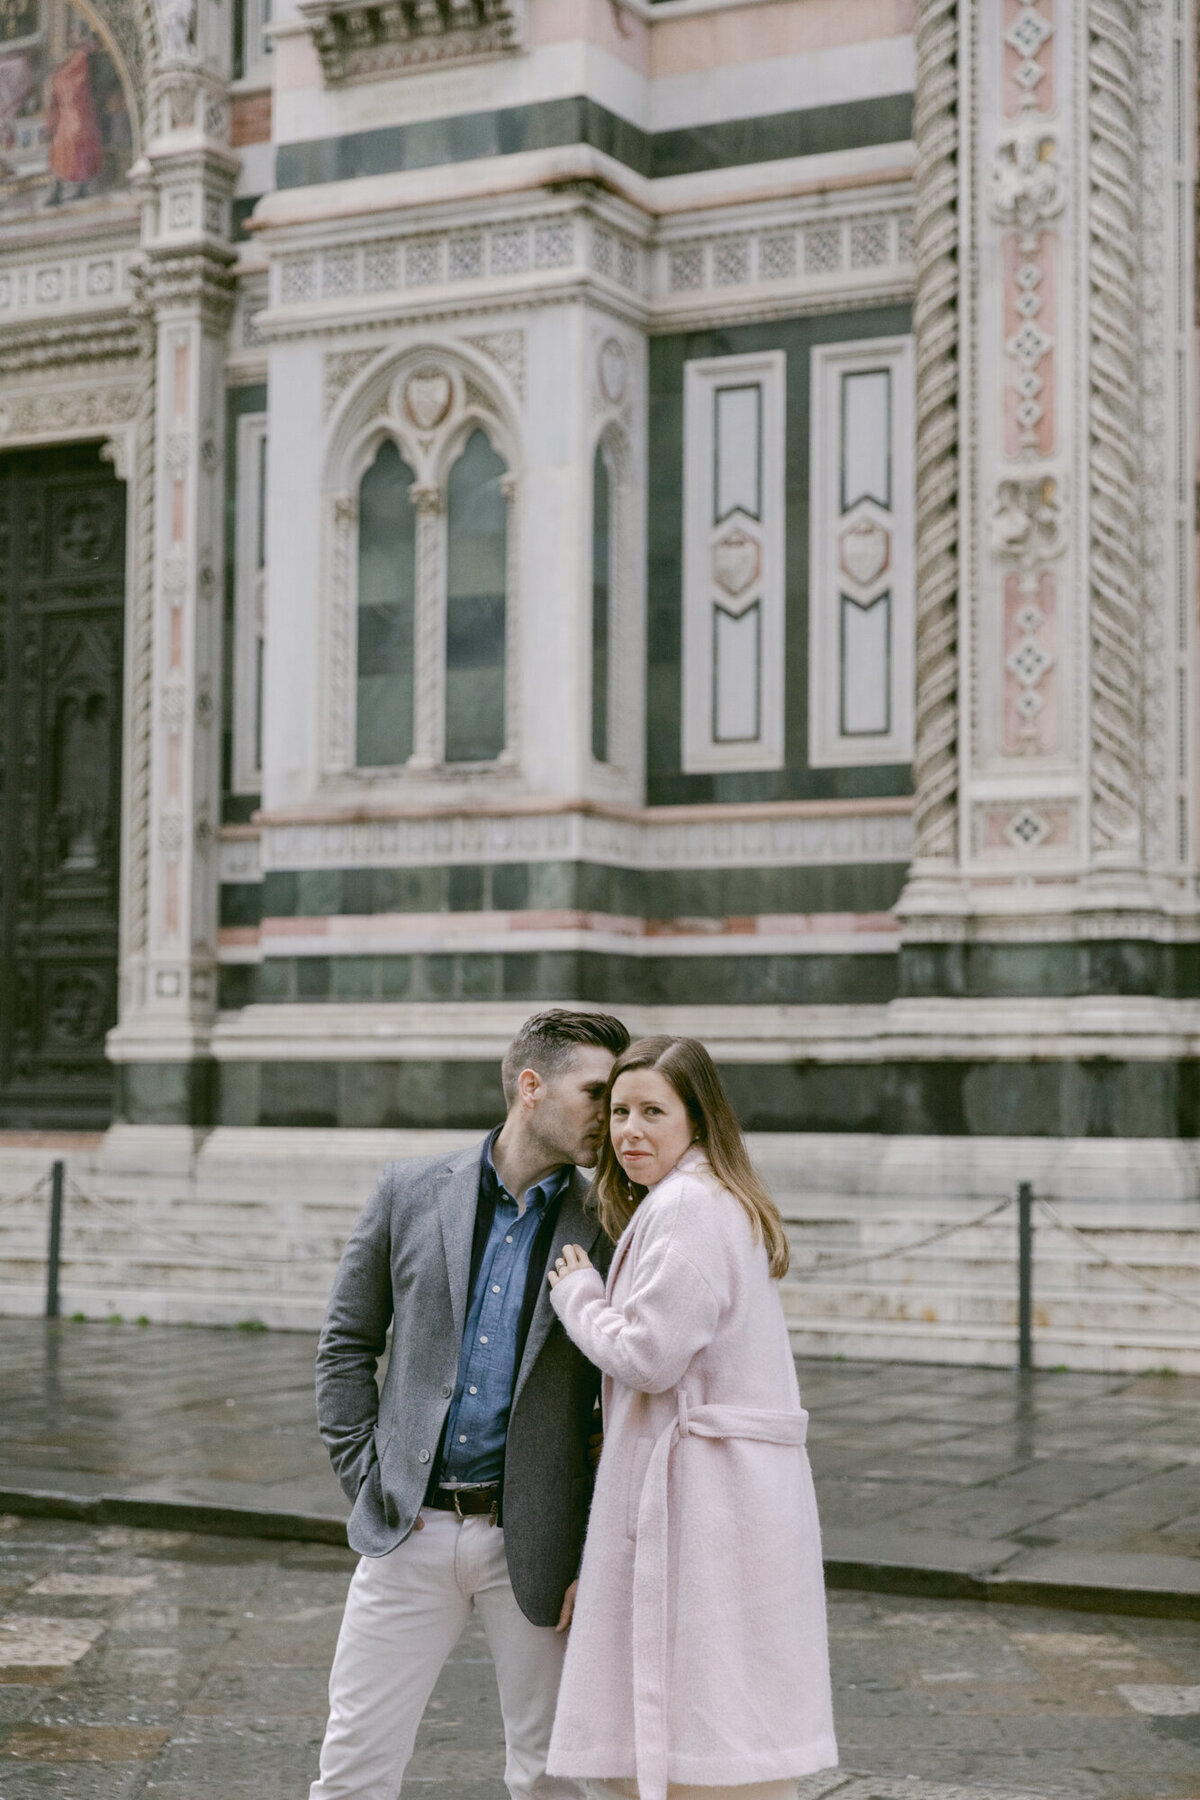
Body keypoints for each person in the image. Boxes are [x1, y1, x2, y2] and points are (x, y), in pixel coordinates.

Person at [310, 1007, 630, 1800]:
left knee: (553, 1776)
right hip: (407, 1529)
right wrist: (371, 1478)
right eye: (597, 1093)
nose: (612, 1118)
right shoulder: (410, 1190)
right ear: (531, 1086)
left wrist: (592, 1551)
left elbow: (629, 1402)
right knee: (353, 1766)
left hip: (539, 1544)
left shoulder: (616, 1223)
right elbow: (347, 1342)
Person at [546, 1036, 838, 1800]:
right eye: (618, 1112)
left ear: (698, 1122)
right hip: (726, 1488)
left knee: (690, 1736)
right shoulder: (704, 1200)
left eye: (653, 1112)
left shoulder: (685, 1208)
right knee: (724, 1730)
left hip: (702, 1497)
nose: (629, 1131)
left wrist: (580, 1296)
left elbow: (648, 1356)